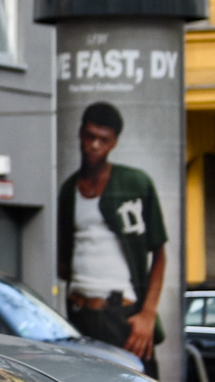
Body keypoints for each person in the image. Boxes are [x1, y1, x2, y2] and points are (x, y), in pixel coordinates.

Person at [57, 101, 168, 367]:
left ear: (115, 142)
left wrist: (148, 314)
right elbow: (63, 262)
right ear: (81, 134)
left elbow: (159, 253)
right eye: (90, 136)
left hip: (122, 314)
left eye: (104, 140)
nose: (95, 145)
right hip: (80, 314)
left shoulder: (135, 183)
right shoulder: (69, 189)